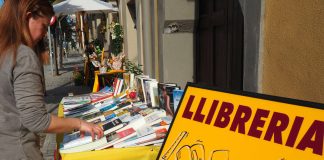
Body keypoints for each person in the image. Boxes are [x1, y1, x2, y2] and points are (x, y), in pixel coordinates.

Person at [0, 1, 103, 159]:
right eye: (44, 26)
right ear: (29, 17)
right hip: (19, 151)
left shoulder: (4, 52)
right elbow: (36, 120)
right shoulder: (22, 56)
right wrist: (79, 123)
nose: (44, 34)